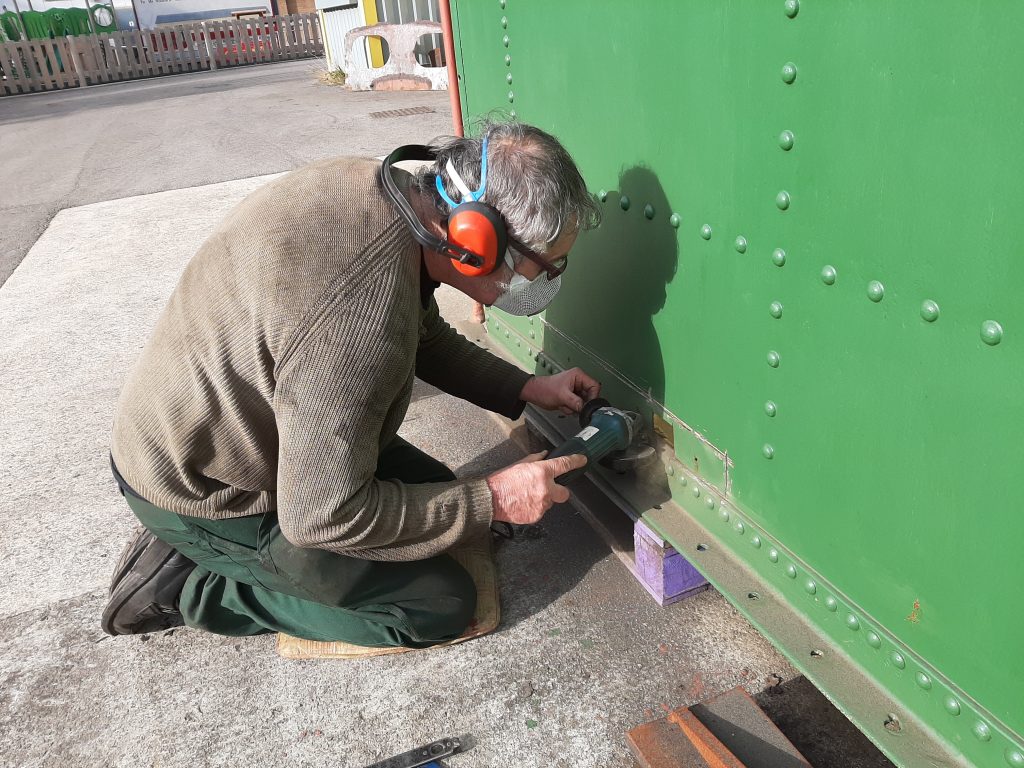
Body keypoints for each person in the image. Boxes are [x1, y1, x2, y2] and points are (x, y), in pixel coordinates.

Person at [102, 120, 602, 648]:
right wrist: (492, 499)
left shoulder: (384, 196)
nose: (543, 281)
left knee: (438, 506)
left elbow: (420, 332)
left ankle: (220, 553)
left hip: (231, 432)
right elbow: (321, 515)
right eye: (543, 265)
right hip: (212, 487)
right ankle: (194, 586)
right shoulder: (358, 325)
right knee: (437, 603)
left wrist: (527, 387)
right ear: (479, 241)